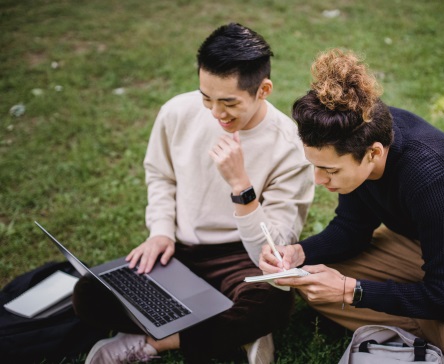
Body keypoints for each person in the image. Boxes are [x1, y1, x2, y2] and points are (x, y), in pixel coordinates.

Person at [259, 49, 444, 364]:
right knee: (309, 279)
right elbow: (352, 228)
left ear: (374, 153)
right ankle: (428, 318)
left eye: (331, 170)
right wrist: (300, 253)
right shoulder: (359, 132)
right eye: (315, 166)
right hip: (416, 240)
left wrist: (351, 292)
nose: (319, 179)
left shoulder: (435, 179)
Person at [73, 23, 314, 364]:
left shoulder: (290, 146)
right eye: (207, 98)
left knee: (273, 299)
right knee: (89, 295)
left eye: (228, 102)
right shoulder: (177, 112)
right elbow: (160, 175)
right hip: (181, 252)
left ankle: (157, 342)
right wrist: (160, 232)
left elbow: (273, 251)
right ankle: (229, 332)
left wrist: (241, 187)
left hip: (242, 259)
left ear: (264, 90)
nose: (216, 114)